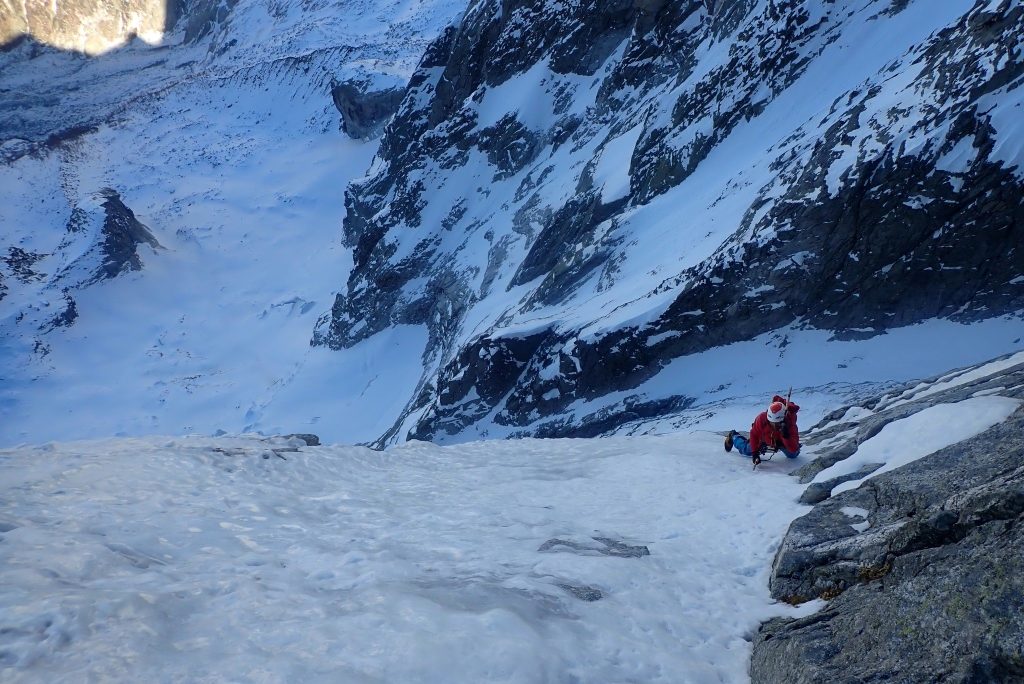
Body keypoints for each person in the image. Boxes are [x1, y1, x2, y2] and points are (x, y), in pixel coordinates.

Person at [724, 395, 800, 465]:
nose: (773, 425)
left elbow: (793, 449)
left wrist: (786, 437)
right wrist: (755, 453)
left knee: (793, 455)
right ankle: (733, 436)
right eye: (771, 422)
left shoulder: (790, 425)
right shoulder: (762, 419)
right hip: (763, 439)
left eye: (777, 423)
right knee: (746, 450)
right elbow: (754, 434)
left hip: (781, 442)